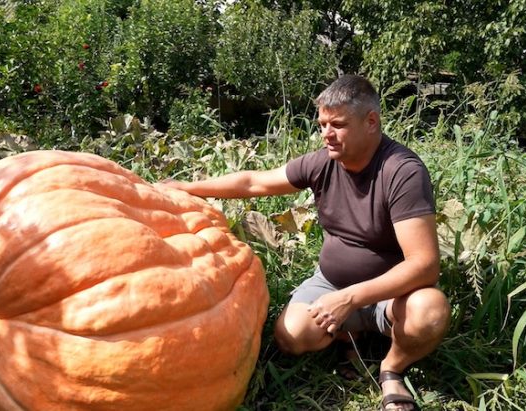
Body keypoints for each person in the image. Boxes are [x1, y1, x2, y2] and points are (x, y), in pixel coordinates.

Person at [162, 74, 450, 411]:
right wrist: (185, 187)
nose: (326, 134)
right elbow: (254, 182)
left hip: (392, 295)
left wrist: (350, 297)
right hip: (331, 283)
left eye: (337, 124)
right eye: (322, 124)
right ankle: (353, 334)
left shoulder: (402, 171)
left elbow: (425, 265)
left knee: (429, 311)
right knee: (291, 335)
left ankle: (391, 368)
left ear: (371, 122)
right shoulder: (323, 162)